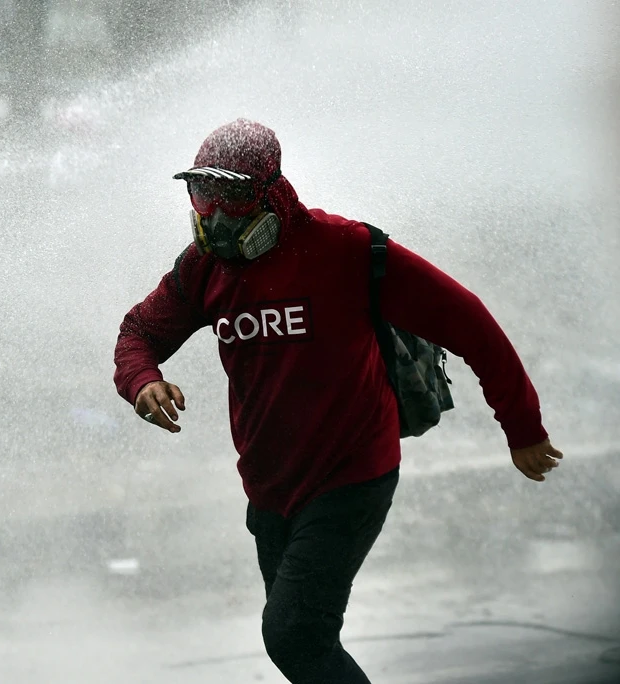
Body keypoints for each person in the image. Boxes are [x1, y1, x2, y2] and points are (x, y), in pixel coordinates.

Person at [111, 118, 563, 683]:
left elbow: (471, 324)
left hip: (353, 477)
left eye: (234, 195)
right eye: (204, 194)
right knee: (307, 643)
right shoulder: (204, 268)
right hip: (270, 488)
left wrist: (522, 426)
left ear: (273, 192)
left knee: (293, 636)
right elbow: (138, 333)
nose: (216, 215)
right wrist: (143, 380)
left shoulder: (349, 250)